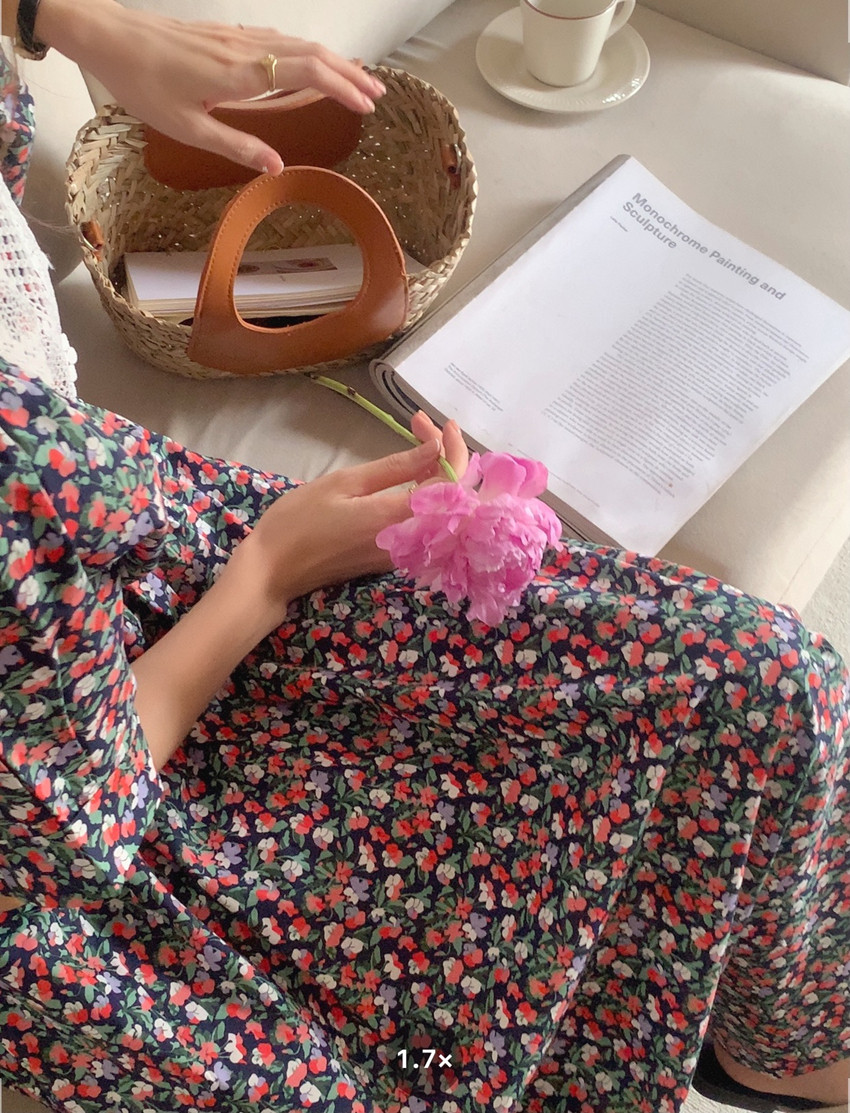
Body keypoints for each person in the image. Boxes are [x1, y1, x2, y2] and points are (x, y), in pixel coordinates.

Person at [1, 1, 849, 1111]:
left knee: (769, 685)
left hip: (154, 556)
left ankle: (775, 1047)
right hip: (90, 820)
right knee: (429, 1066)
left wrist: (64, 20)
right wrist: (267, 574)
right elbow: (52, 826)